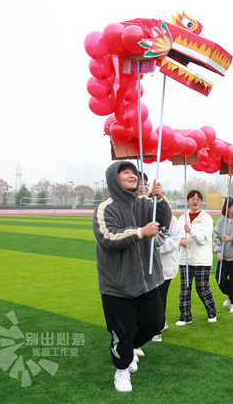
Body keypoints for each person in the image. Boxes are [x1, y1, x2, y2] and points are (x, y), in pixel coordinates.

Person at [93, 161, 171, 392]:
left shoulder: (145, 203)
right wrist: (140, 232)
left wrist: (161, 198)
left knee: (154, 323)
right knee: (122, 330)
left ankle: (128, 349)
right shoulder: (106, 208)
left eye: (133, 172)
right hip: (117, 284)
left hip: (147, 280)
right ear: (113, 179)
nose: (131, 175)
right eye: (124, 172)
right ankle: (122, 370)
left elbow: (164, 219)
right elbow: (108, 237)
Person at [178, 190, 217, 324]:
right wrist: (182, 239)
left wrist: (190, 231)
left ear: (201, 202)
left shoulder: (206, 218)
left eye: (198, 199)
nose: (195, 201)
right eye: (192, 199)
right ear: (187, 200)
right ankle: (185, 316)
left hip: (201, 259)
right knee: (185, 289)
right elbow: (177, 234)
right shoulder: (182, 217)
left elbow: (202, 238)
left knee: (202, 288)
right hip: (185, 259)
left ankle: (212, 312)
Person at [152, 213, 183, 342]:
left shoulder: (173, 221)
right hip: (151, 267)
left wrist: (156, 246)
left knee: (160, 297)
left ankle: (157, 329)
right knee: (152, 298)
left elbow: (174, 241)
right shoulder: (150, 219)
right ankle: (161, 322)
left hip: (166, 267)